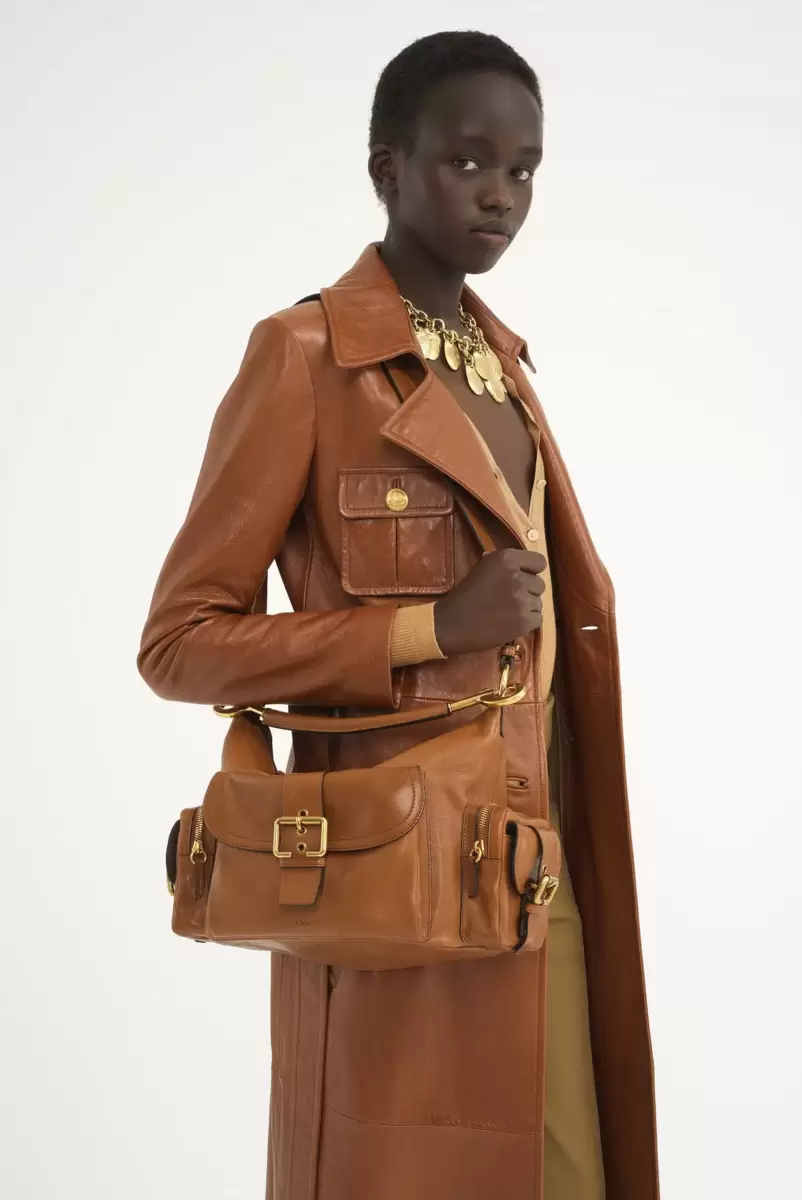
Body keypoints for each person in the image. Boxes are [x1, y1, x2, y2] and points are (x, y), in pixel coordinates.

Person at [137, 30, 658, 1200]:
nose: (501, 195)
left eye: (523, 169)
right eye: (468, 162)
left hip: (538, 855)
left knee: (569, 1169)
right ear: (388, 168)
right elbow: (180, 642)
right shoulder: (305, 356)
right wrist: (427, 627)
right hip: (394, 870)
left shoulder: (505, 370)